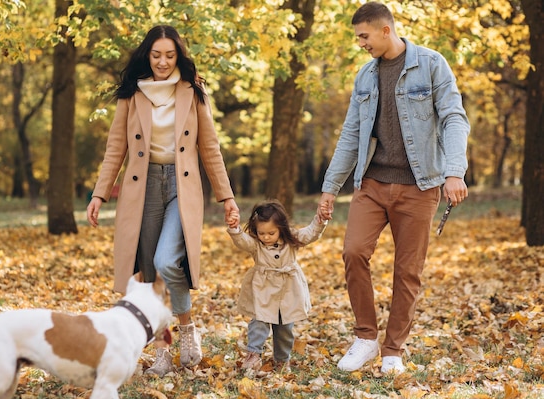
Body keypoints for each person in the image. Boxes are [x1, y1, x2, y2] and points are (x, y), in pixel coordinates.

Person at [317, 2, 470, 374]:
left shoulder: (432, 64)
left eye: (364, 36)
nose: (360, 44)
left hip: (419, 187)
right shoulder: (365, 76)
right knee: (353, 252)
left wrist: (454, 171)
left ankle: (393, 351)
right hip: (371, 183)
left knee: (408, 271)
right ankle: (366, 338)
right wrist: (329, 188)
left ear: (386, 30)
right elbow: (351, 134)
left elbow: (453, 117)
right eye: (357, 38)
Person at [87, 25, 239, 377]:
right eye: (156, 55)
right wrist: (99, 193)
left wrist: (226, 197)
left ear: (179, 56)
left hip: (182, 186)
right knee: (150, 272)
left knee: (168, 260)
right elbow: (116, 148)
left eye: (170, 55)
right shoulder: (131, 94)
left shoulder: (193, 92)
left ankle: (186, 329)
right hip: (143, 187)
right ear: (147, 55)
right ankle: (163, 351)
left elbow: (210, 148)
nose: (163, 62)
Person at [226, 200, 327, 372]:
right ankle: (253, 354)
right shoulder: (256, 244)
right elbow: (243, 241)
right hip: (263, 291)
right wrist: (235, 229)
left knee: (284, 329)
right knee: (258, 322)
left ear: (281, 228)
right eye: (261, 233)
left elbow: (310, 234)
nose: (265, 237)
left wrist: (320, 221)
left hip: (288, 292)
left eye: (271, 233)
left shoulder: (292, 239)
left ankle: (282, 360)